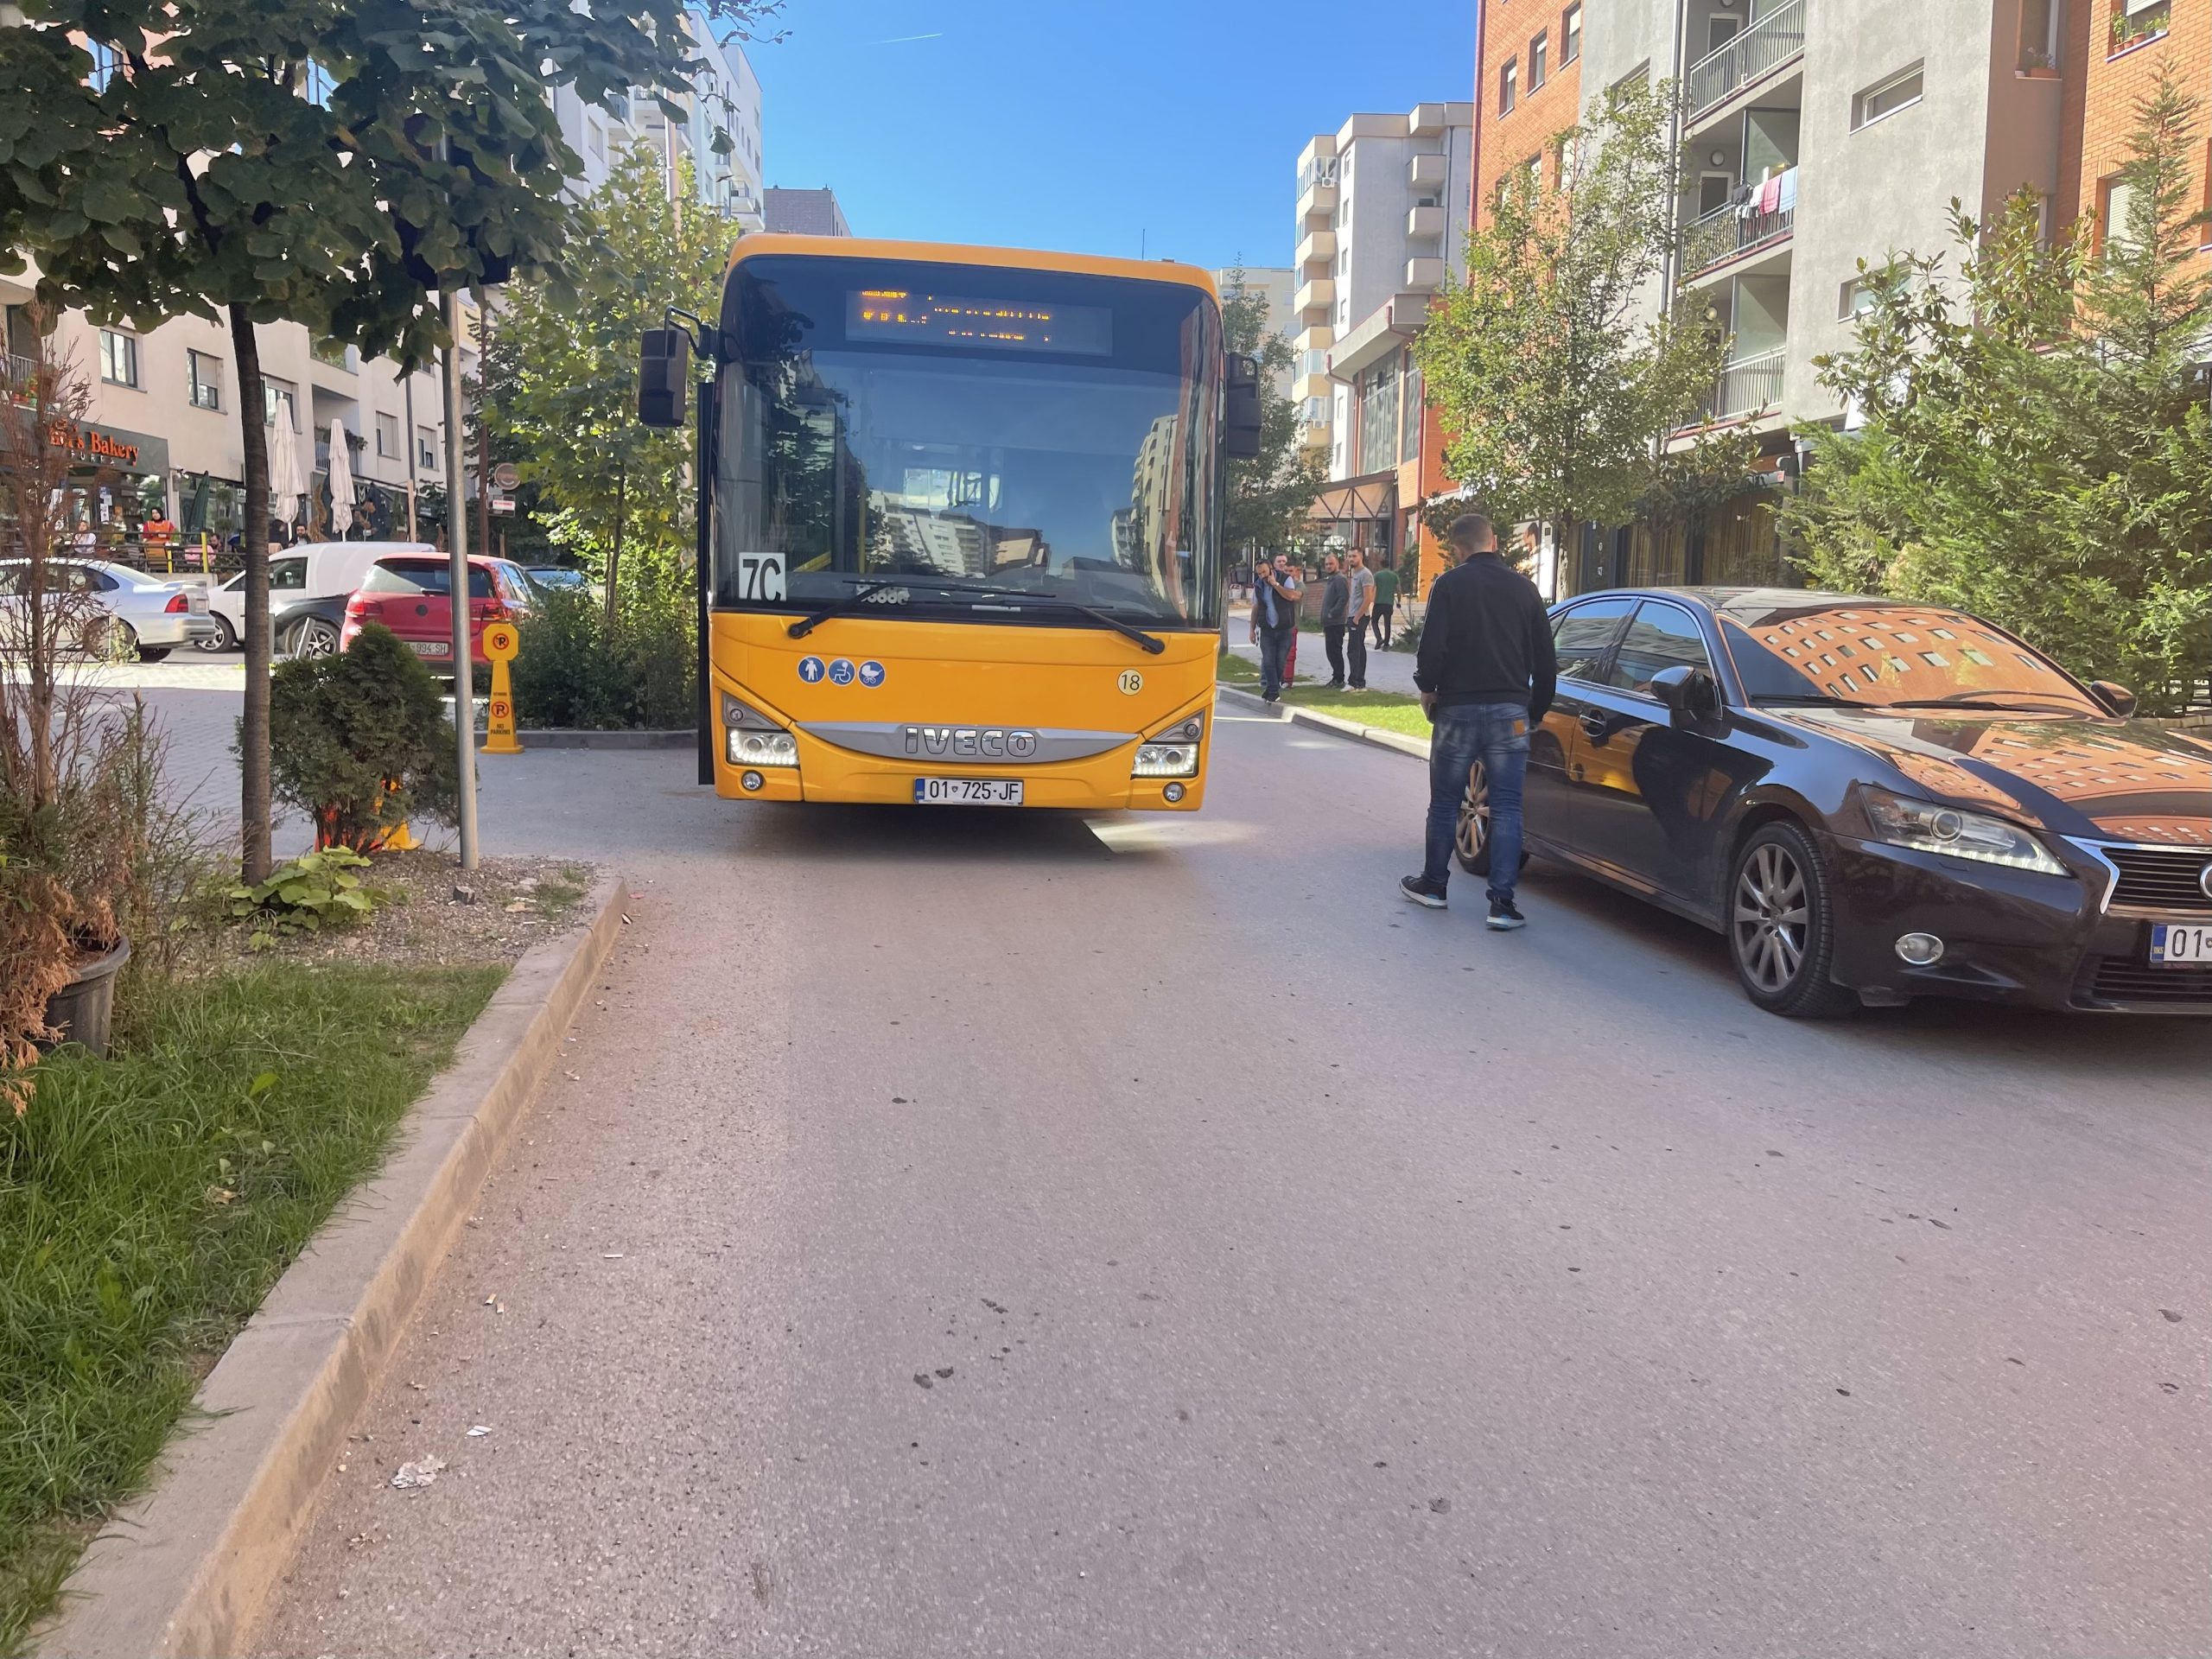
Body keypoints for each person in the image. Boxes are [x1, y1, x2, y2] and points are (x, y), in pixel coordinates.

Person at [1400, 512, 1558, 931]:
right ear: (1494, 543)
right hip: (1511, 712)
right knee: (1507, 807)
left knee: (1446, 802)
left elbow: (1431, 649)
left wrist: (1428, 687)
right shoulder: (1527, 591)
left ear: (1457, 548)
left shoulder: (1448, 585)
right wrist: (1536, 710)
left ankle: (1434, 885)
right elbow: (1546, 661)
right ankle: (1502, 904)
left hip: (1457, 709)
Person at [1249, 550, 1303, 702]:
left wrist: (1275, 585)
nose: (1262, 576)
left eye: (1264, 572)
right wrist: (1252, 630)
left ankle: (1272, 688)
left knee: (1280, 661)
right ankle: (1273, 691)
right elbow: (1256, 607)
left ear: (1271, 568)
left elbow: (1291, 596)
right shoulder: (1258, 585)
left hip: (1284, 628)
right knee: (1268, 661)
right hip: (1267, 629)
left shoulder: (1285, 579)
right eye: (1259, 574)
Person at [1319, 553, 1350, 689]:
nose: (1328, 566)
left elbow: (1344, 598)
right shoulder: (1331, 579)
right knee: (1330, 651)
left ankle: (1339, 679)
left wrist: (1332, 613)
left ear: (1337, 564)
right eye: (1326, 564)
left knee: (1335, 651)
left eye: (1331, 564)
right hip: (1329, 623)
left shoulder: (1339, 579)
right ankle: (1336, 677)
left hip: (1336, 622)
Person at [1344, 549, 1372, 690]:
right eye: (1349, 556)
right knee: (1357, 649)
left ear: (1361, 557)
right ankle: (1359, 682)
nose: (1351, 559)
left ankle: (1355, 682)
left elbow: (1368, 598)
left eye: (1354, 556)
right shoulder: (1355, 574)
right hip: (1353, 615)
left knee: (1354, 650)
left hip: (1359, 617)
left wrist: (1356, 617)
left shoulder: (1365, 574)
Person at [1370, 558, 1399, 649]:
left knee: (1374, 621)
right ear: (1389, 565)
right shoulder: (1394, 576)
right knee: (1387, 624)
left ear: (1381, 565)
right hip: (1389, 603)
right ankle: (1386, 644)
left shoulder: (1377, 575)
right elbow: (1399, 589)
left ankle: (1379, 638)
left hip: (1378, 602)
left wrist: (1370, 599)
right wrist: (1399, 601)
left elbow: (1372, 588)